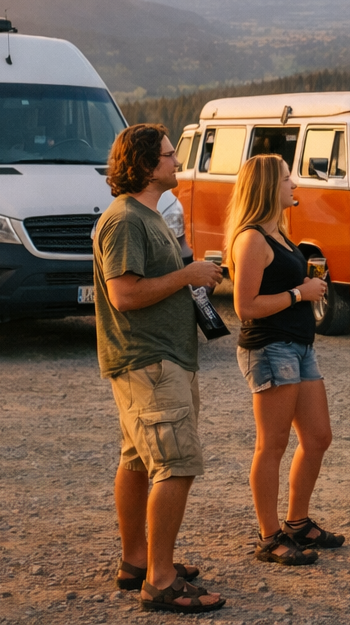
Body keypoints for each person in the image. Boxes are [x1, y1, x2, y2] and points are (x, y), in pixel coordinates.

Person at [94, 124, 226, 613]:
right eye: (169, 156)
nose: (177, 163)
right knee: (176, 464)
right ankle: (161, 580)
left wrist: (192, 284)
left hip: (160, 358)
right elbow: (123, 294)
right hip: (149, 360)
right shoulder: (126, 220)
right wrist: (187, 275)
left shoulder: (147, 216)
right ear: (147, 166)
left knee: (137, 460)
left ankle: (137, 562)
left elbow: (154, 285)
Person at [225, 154, 343, 566]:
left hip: (299, 345)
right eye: (287, 179)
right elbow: (245, 306)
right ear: (266, 188)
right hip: (271, 347)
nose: (295, 184)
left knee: (318, 437)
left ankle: (297, 522)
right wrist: (299, 294)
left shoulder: (281, 235)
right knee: (272, 444)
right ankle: (269, 535)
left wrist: (310, 284)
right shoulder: (252, 238)